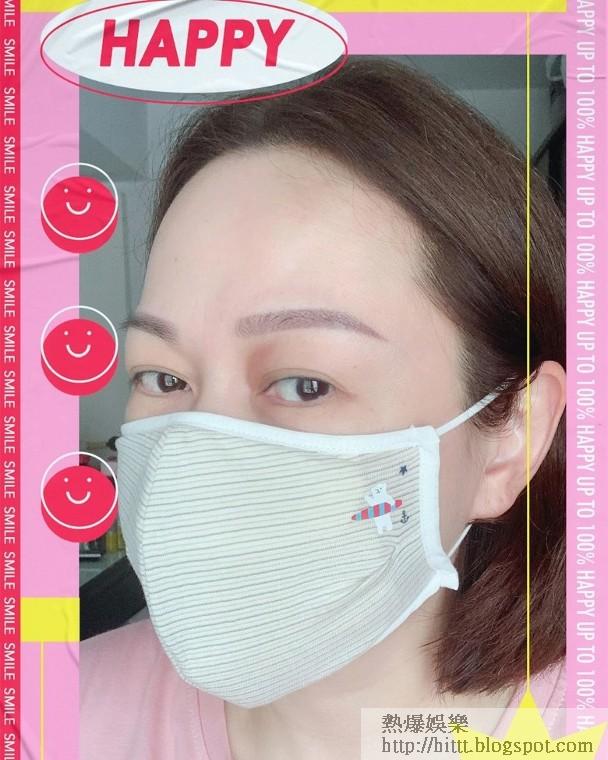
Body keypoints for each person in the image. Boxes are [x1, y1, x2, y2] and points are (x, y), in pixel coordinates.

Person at [80, 58, 567, 760]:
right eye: (162, 375)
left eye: (305, 383)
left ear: (509, 441)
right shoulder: (54, 715)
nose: (198, 465)